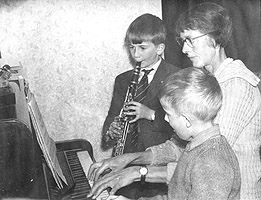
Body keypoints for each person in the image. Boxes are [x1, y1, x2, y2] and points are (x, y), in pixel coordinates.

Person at [89, 2, 261, 200]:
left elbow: (205, 160)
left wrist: (138, 173)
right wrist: (131, 159)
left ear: (214, 37)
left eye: (190, 40)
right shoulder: (206, 80)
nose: (185, 50)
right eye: (182, 42)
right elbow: (180, 146)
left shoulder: (236, 85)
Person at [90, 67, 241, 200]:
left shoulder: (212, 162)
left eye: (168, 114)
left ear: (187, 120)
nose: (165, 118)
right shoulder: (196, 145)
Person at [100, 13, 184, 199]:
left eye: (142, 48)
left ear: (160, 48)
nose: (136, 55)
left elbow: (184, 129)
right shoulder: (123, 80)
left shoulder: (177, 77)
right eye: (132, 47)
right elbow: (111, 117)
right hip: (125, 166)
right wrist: (110, 131)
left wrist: (151, 114)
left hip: (159, 172)